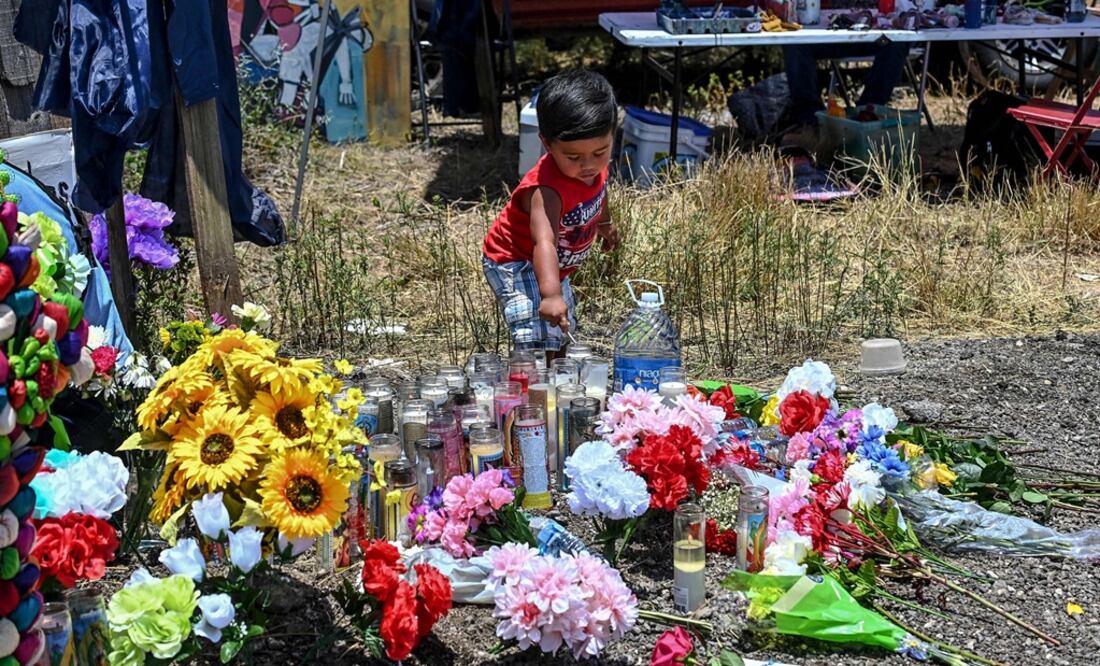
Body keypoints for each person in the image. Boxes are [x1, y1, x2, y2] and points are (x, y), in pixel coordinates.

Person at [482, 70, 619, 354]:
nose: (588, 165)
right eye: (573, 157)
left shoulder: (594, 167)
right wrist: (551, 294)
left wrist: (604, 223)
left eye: (600, 152)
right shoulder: (546, 190)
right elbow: (544, 243)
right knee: (538, 330)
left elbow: (598, 192)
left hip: (553, 265)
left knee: (561, 325)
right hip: (516, 260)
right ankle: (533, 387)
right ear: (546, 143)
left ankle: (555, 380)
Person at [782, 42, 911, 130]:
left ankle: (867, 117)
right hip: (828, 36)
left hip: (876, 38)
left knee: (895, 41)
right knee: (795, 43)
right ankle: (811, 123)